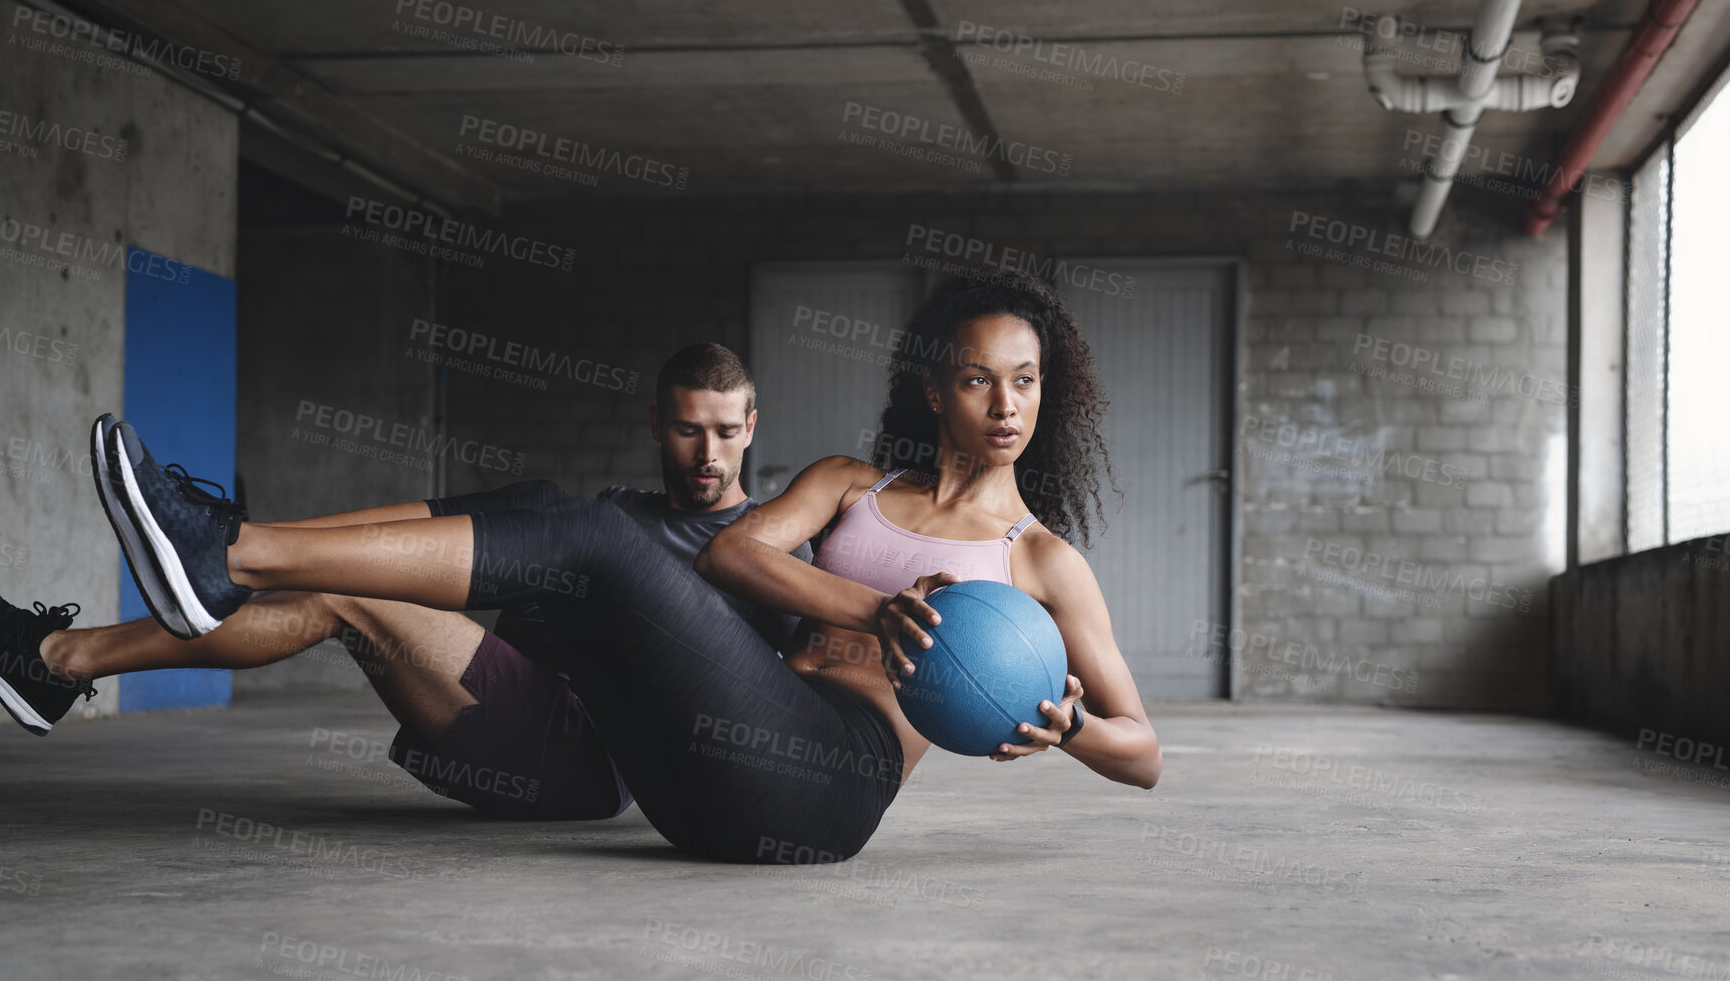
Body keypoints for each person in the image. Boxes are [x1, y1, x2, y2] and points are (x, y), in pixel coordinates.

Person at [71, 270, 1162, 864]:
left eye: (1023, 381)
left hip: (829, 788)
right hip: (700, 777)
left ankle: (231, 549)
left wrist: (1070, 731)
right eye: (979, 379)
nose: (1005, 404)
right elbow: (736, 553)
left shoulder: (1040, 560)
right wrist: (876, 607)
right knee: (555, 525)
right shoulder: (848, 485)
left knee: (594, 539)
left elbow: (1144, 751)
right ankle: (222, 562)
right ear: (936, 390)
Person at [0, 342, 812, 824]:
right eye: (688, 429)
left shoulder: (765, 550)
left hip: (587, 757)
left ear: (752, 429)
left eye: (726, 432)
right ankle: (226, 546)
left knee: (342, 597)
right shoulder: (614, 512)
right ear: (655, 425)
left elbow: (788, 708)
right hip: (508, 707)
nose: (709, 453)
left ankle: (74, 650)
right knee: (533, 507)